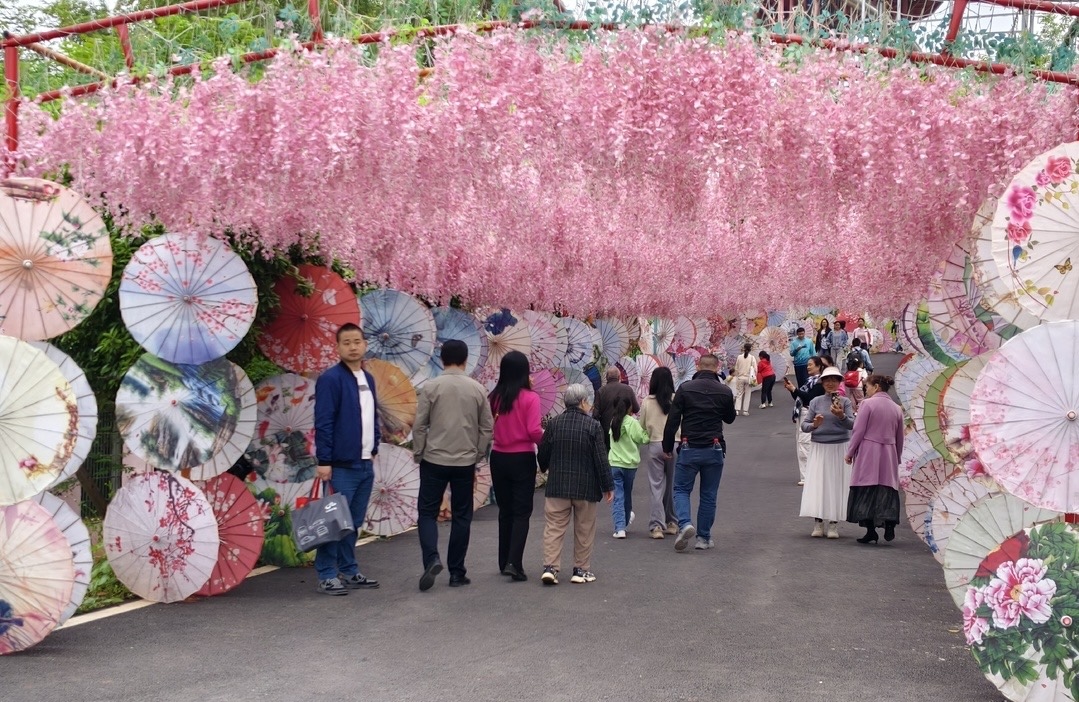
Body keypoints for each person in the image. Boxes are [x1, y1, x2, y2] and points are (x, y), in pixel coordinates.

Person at [412, 339, 494, 591]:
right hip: (465, 461)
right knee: (462, 515)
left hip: (434, 459)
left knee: (427, 512)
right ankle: (457, 572)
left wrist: (419, 453)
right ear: (465, 360)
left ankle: (432, 559)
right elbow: (487, 427)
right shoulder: (477, 389)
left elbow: (420, 425)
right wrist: (478, 453)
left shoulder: (431, 387)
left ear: (442, 359)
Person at [312, 323, 381, 596]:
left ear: (365, 344)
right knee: (334, 522)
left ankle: (349, 569)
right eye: (346, 342)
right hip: (341, 464)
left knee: (353, 521)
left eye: (357, 341)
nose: (353, 346)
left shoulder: (368, 378)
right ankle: (327, 574)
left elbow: (372, 415)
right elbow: (324, 421)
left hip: (365, 461)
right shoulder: (331, 379)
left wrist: (374, 444)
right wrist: (324, 460)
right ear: (338, 348)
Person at [537, 384, 614, 585]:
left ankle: (550, 568)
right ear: (582, 402)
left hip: (557, 486)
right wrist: (608, 485)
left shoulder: (554, 423)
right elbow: (600, 458)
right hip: (585, 487)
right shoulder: (593, 426)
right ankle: (580, 570)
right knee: (584, 529)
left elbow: (543, 452)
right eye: (587, 401)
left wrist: (544, 467)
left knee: (554, 527)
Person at [662, 354, 737, 552]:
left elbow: (673, 421)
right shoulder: (724, 391)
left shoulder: (685, 389)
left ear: (698, 366)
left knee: (681, 489)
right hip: (714, 447)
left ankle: (685, 523)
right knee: (708, 494)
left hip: (689, 446)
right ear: (717, 367)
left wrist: (667, 447)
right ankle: (703, 538)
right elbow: (730, 419)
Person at [488, 350, 543, 582]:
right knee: (522, 512)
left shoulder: (495, 397)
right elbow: (533, 431)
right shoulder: (531, 398)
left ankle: (503, 561)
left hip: (498, 457)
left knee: (506, 511)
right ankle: (514, 562)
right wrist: (546, 438)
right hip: (522, 458)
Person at [846, 375, 904, 544]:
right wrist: (897, 457)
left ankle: (871, 530)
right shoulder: (896, 408)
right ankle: (889, 523)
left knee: (867, 488)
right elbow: (900, 437)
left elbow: (858, 431)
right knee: (886, 488)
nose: (866, 390)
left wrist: (850, 452)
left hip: (869, 450)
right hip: (889, 451)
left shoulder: (867, 404)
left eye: (868, 387)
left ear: (876, 386)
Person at [799, 367, 856, 539]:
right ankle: (818, 522)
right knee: (819, 483)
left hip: (839, 446)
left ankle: (833, 524)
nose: (830, 383)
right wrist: (814, 425)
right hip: (819, 446)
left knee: (836, 484)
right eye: (827, 380)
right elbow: (805, 425)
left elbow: (853, 425)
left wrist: (841, 416)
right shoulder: (816, 401)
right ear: (822, 383)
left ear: (839, 383)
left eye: (834, 380)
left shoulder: (845, 402)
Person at [639, 367, 679, 539]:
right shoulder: (676, 399)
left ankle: (656, 526)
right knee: (672, 485)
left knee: (656, 486)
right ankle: (672, 522)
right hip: (675, 445)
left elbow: (641, 426)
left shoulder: (647, 401)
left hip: (655, 445)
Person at [608, 394, 649, 538]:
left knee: (618, 496)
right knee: (627, 493)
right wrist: (648, 431)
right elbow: (642, 438)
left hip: (615, 463)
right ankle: (623, 522)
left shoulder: (614, 422)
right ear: (629, 407)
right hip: (630, 464)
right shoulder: (632, 422)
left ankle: (620, 527)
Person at [783, 356, 824, 487]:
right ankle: (806, 474)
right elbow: (800, 397)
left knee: (804, 444)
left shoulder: (819, 382)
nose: (808, 367)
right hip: (803, 412)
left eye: (810, 365)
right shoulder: (809, 381)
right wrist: (792, 390)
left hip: (809, 413)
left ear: (818, 366)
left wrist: (795, 390)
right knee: (801, 443)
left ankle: (807, 476)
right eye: (807, 365)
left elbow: (810, 399)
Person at [593, 366, 640, 449]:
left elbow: (595, 415)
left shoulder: (600, 391)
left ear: (606, 378)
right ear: (619, 377)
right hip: (625, 429)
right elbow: (636, 409)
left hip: (607, 431)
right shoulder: (628, 389)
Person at [731, 342, 757, 416]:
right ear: (750, 349)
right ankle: (745, 410)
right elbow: (755, 369)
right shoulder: (752, 358)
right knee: (747, 394)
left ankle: (737, 410)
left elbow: (736, 368)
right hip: (748, 378)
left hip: (740, 377)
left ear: (744, 348)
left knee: (739, 394)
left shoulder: (739, 357)